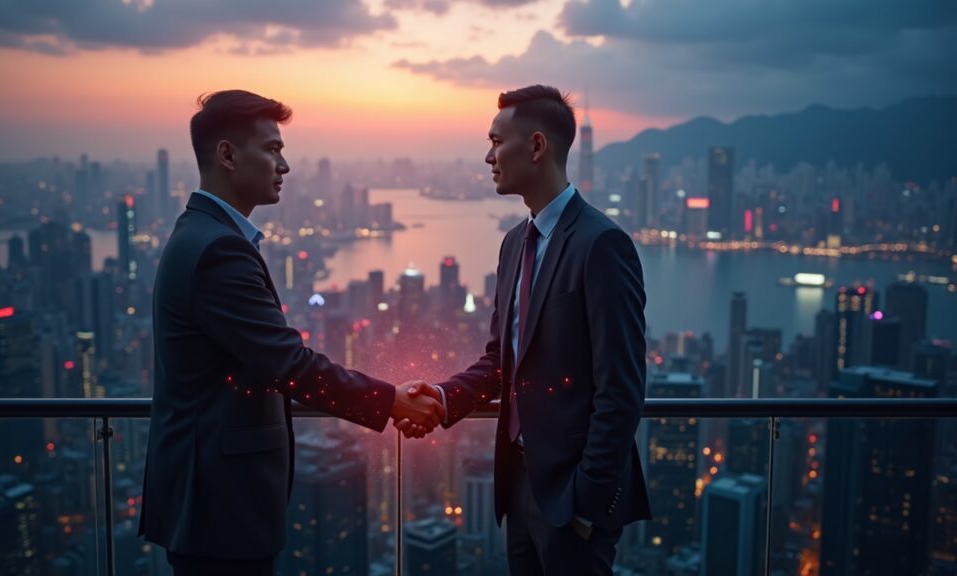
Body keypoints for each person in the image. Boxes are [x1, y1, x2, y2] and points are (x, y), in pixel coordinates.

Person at [139, 89, 443, 575]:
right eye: (272, 149)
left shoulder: (200, 233)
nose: (284, 165)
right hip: (220, 506)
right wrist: (391, 401)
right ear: (227, 155)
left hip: (212, 502)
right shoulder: (218, 249)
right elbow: (288, 364)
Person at [398, 85, 651, 575]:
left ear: (537, 146)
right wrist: (446, 397)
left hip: (572, 499)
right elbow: (502, 360)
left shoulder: (602, 245)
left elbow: (621, 388)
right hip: (517, 486)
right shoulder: (515, 243)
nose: (487, 156)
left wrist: (585, 504)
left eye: (497, 141)